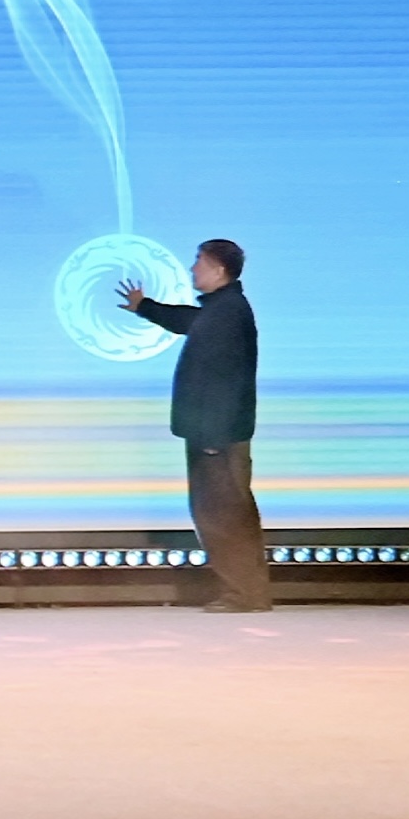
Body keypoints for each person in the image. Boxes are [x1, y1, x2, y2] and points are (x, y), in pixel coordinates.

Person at [123, 239, 273, 612]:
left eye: (199, 262)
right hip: (214, 435)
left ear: (219, 270)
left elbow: (224, 381)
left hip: (218, 438)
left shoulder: (228, 312)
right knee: (224, 513)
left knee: (224, 516)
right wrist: (145, 306)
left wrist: (213, 437)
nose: (193, 269)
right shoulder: (221, 309)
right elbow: (188, 321)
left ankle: (244, 594)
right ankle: (246, 592)